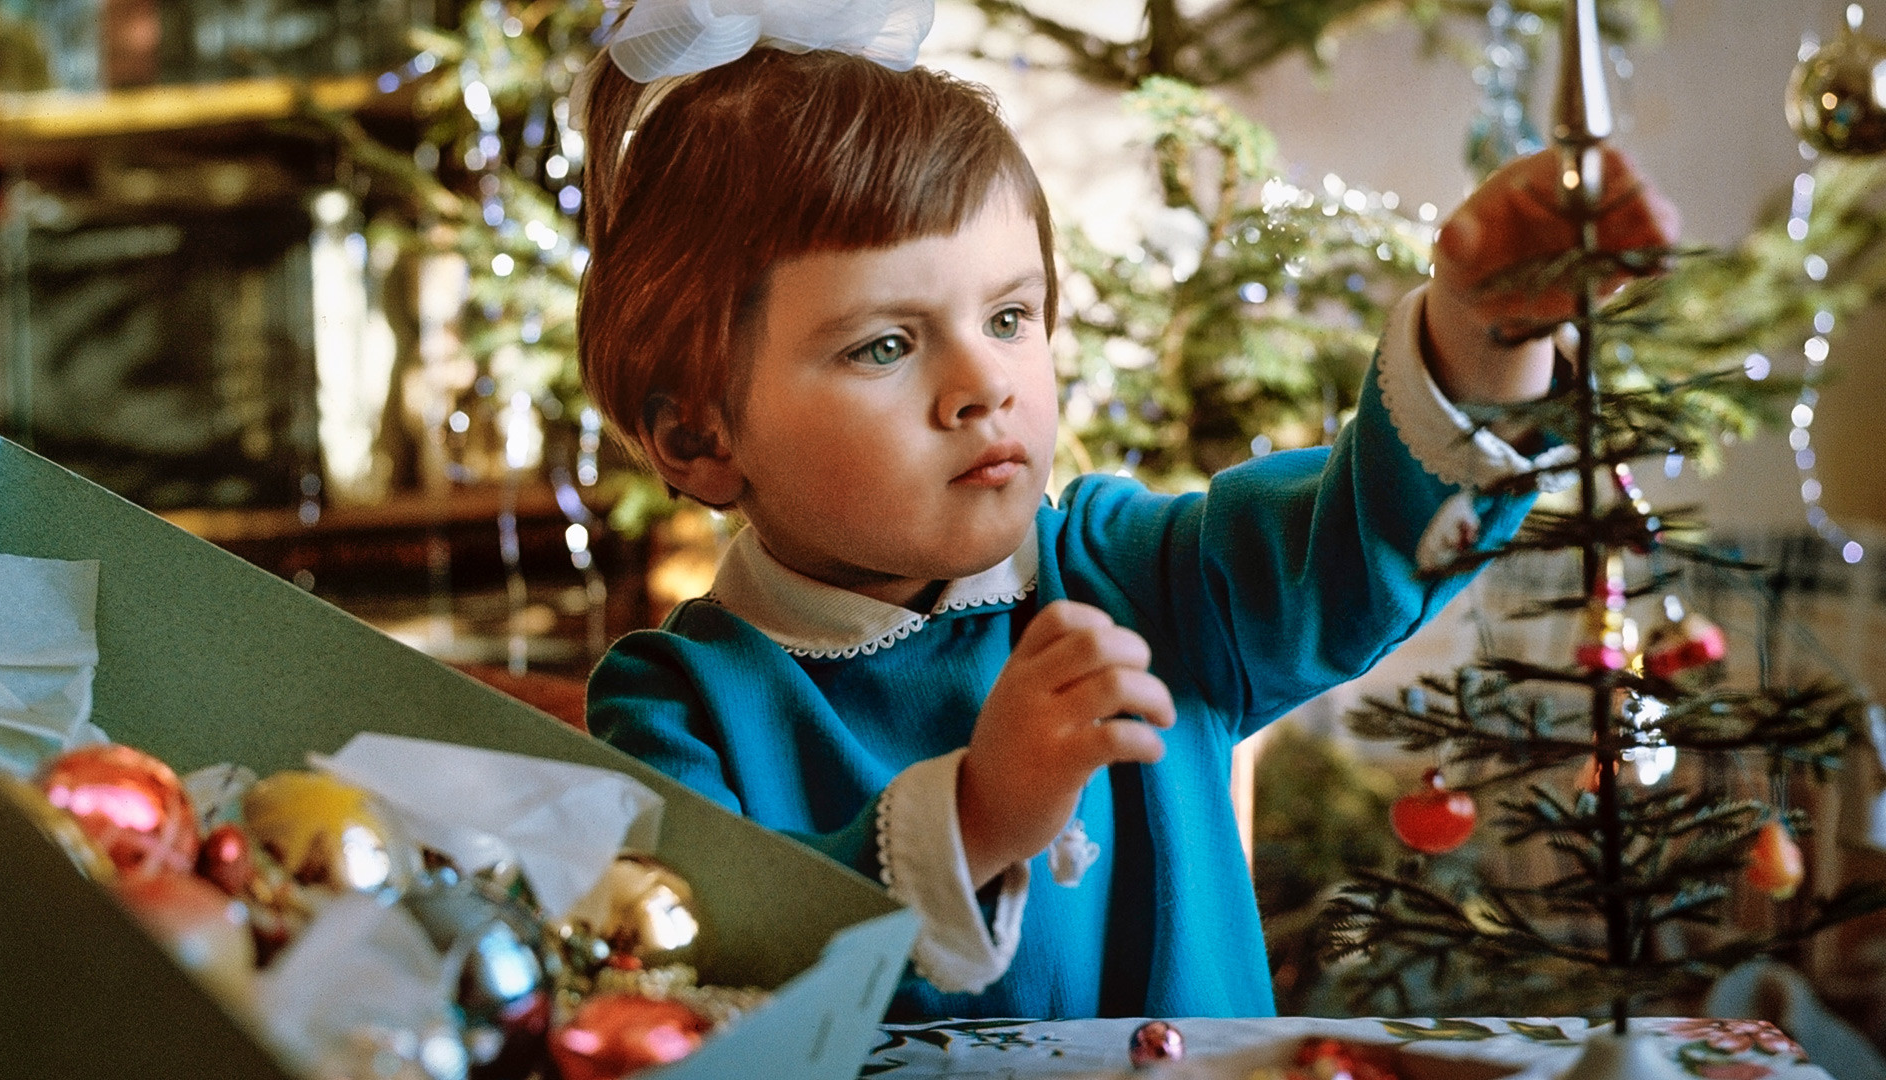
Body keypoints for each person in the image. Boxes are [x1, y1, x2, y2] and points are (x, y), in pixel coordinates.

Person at [577, 0, 1677, 1020]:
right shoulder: (675, 707)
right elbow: (707, 999)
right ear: (696, 439)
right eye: (886, 344)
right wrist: (973, 819)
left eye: (1011, 317)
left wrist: (1484, 338)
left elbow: (1354, 546)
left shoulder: (1134, 577)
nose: (985, 385)